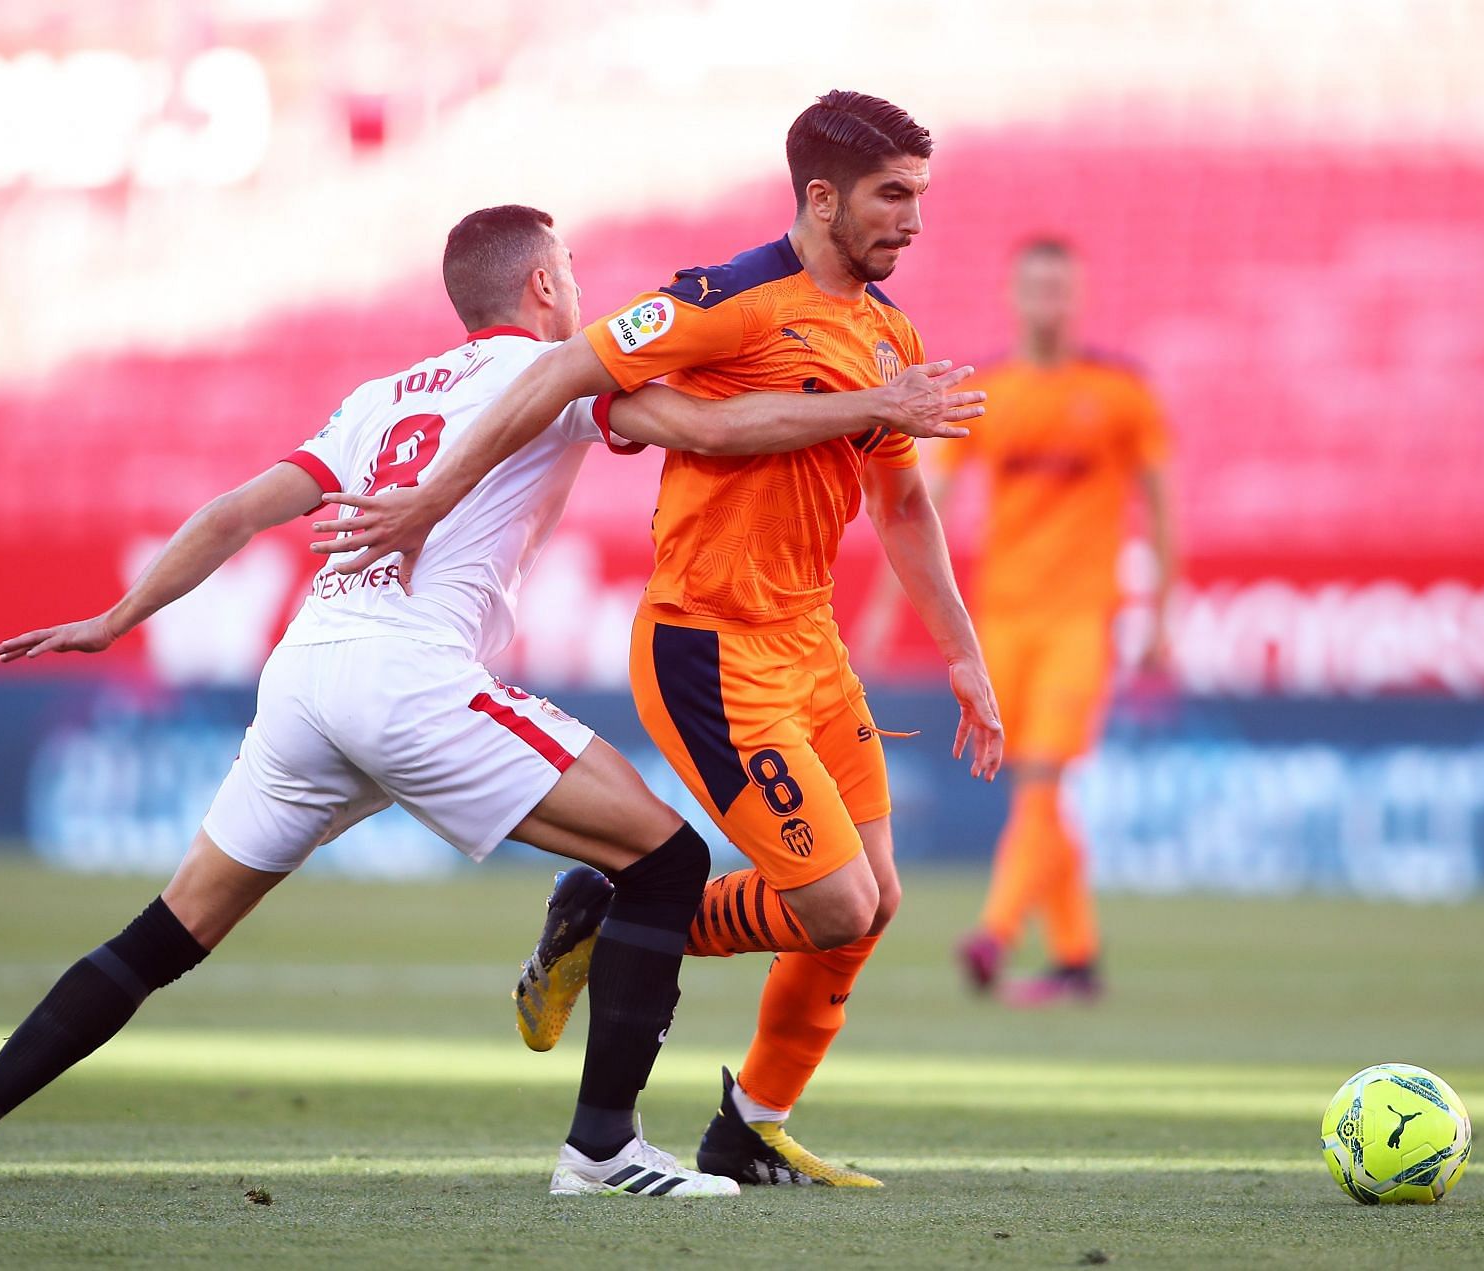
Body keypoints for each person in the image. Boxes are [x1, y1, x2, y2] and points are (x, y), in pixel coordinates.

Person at [0, 204, 983, 1198]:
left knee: (165, 930)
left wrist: (118, 615)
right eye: (573, 273)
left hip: (305, 676)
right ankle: (602, 1149)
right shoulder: (549, 380)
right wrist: (872, 406)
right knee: (665, 861)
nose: (581, 294)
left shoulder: (379, 396)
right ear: (545, 286)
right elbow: (712, 428)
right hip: (410, 677)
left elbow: (240, 508)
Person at [307, 92, 1004, 1188]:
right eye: (893, 196)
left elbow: (902, 507)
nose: (914, 220)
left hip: (811, 646)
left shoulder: (886, 330)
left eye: (921, 195)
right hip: (710, 649)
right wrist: (436, 495)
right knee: (833, 906)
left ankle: (748, 1126)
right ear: (821, 197)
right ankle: (617, 905)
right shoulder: (727, 301)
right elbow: (560, 371)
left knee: (877, 898)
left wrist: (962, 653)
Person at [861, 236, 1178, 1005]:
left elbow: (1163, 510)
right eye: (1034, 285)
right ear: (1014, 294)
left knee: (1041, 777)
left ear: (1077, 295)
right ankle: (1076, 960)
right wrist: (882, 606)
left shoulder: (1121, 392)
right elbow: (921, 504)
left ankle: (993, 933)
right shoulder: (988, 392)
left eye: (1059, 286)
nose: (1047, 299)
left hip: (1081, 617)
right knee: (1037, 790)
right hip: (1000, 620)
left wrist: (1161, 615)